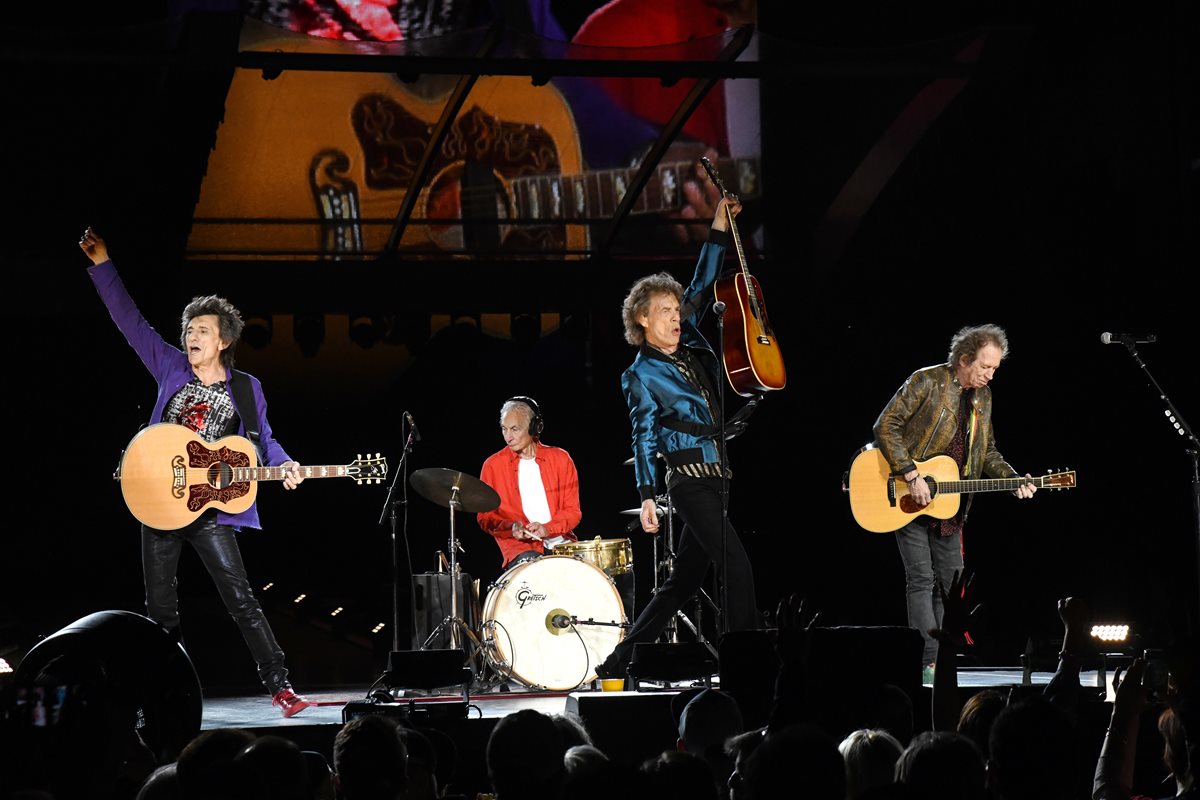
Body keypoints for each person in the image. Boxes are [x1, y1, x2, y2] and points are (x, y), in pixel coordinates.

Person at [79, 226, 311, 718]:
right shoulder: (169, 366)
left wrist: (284, 464)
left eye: (201, 330)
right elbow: (130, 321)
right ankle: (160, 696)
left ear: (223, 339)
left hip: (208, 511)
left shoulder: (247, 389)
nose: (190, 337)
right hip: (159, 505)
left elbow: (264, 440)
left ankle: (280, 685)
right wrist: (102, 264)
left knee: (241, 599)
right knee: (161, 613)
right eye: (188, 330)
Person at [596, 196, 758, 680]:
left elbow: (704, 282)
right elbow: (643, 436)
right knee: (736, 567)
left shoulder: (687, 341)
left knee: (682, 584)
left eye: (675, 309)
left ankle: (615, 662)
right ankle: (747, 665)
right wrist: (647, 496)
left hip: (720, 476)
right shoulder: (640, 374)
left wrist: (716, 228)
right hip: (688, 483)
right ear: (642, 320)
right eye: (664, 311)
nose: (674, 316)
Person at [870, 324, 1037, 678]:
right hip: (908, 494)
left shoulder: (983, 398)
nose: (990, 376)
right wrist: (910, 474)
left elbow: (987, 450)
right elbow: (885, 426)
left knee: (952, 585)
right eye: (985, 367)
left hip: (950, 502)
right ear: (963, 360)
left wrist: (1012, 480)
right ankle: (929, 661)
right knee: (920, 579)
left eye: (994, 369)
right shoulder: (926, 381)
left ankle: (941, 655)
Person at [476, 396, 582, 569]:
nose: (507, 437)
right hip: (521, 551)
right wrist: (511, 528)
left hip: (563, 546)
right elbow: (485, 517)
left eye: (514, 429)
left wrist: (547, 529)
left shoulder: (561, 459)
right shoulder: (492, 466)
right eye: (504, 429)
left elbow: (573, 511)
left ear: (534, 428)